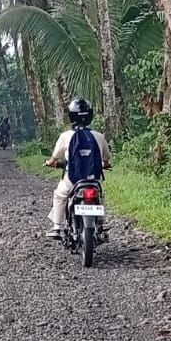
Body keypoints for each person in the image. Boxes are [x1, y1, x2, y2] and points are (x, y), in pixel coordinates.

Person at [45, 97, 110, 237]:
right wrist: (105, 165)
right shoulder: (99, 136)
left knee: (60, 195)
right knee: (99, 196)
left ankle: (57, 227)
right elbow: (106, 158)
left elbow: (54, 158)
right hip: (94, 179)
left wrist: (50, 163)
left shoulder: (65, 136)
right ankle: (100, 224)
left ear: (71, 116)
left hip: (73, 179)